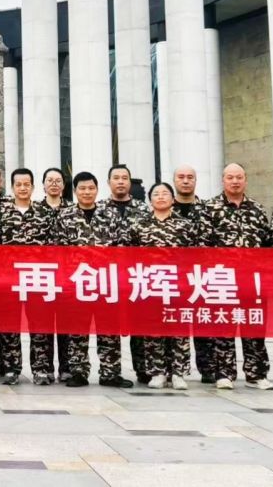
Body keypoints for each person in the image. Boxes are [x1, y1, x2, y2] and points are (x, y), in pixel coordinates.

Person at [57, 171, 133, 388]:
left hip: (105, 282)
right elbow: (59, 250)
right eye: (82, 188)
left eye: (91, 188)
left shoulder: (110, 214)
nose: (87, 192)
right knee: (77, 330)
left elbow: (122, 245)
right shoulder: (65, 216)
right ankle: (78, 372)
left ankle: (110, 373)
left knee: (109, 330)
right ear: (75, 191)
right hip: (77, 282)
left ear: (97, 190)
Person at [203, 163, 273, 390]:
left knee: (254, 326)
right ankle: (224, 374)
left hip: (252, 280)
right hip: (222, 279)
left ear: (245, 180)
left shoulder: (257, 209)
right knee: (223, 327)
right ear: (223, 180)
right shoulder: (209, 208)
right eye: (230, 177)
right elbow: (202, 246)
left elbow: (268, 244)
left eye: (239, 177)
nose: (235, 181)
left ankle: (256, 374)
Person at [128, 182, 197, 390]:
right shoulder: (139, 226)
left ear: (173, 199)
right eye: (156, 194)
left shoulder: (185, 225)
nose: (160, 197)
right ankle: (157, 372)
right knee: (153, 330)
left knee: (179, 329)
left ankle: (178, 373)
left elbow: (196, 255)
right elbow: (130, 256)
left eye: (165, 193)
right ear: (150, 200)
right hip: (150, 285)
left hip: (178, 285)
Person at [0, 168, 57, 385]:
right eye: (18, 184)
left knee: (40, 327)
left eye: (26, 184)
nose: (23, 188)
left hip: (37, 278)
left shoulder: (44, 213)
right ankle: (11, 369)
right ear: (12, 187)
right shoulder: (1, 213)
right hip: (10, 280)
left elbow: (53, 246)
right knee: (9, 327)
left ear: (33, 187)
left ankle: (41, 369)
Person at [105, 164, 152, 385]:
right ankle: (110, 371)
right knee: (110, 326)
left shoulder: (144, 210)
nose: (121, 181)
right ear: (109, 183)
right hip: (109, 278)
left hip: (137, 276)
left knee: (140, 325)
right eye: (116, 178)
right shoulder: (100, 209)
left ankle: (143, 369)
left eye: (125, 178)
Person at [172, 164, 215, 383]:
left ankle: (208, 369)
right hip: (171, 279)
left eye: (190, 177)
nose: (186, 180)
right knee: (172, 325)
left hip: (201, 278)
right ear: (174, 181)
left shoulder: (209, 210)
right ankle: (172, 369)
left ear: (196, 181)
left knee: (204, 323)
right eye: (181, 177)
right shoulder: (163, 208)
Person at [40, 167, 73, 382]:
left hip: (67, 277)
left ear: (63, 185)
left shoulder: (73, 210)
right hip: (42, 277)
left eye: (58, 180)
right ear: (43, 184)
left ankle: (66, 367)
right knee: (42, 327)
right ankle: (44, 369)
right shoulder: (35, 210)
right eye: (50, 180)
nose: (54, 184)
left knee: (66, 326)